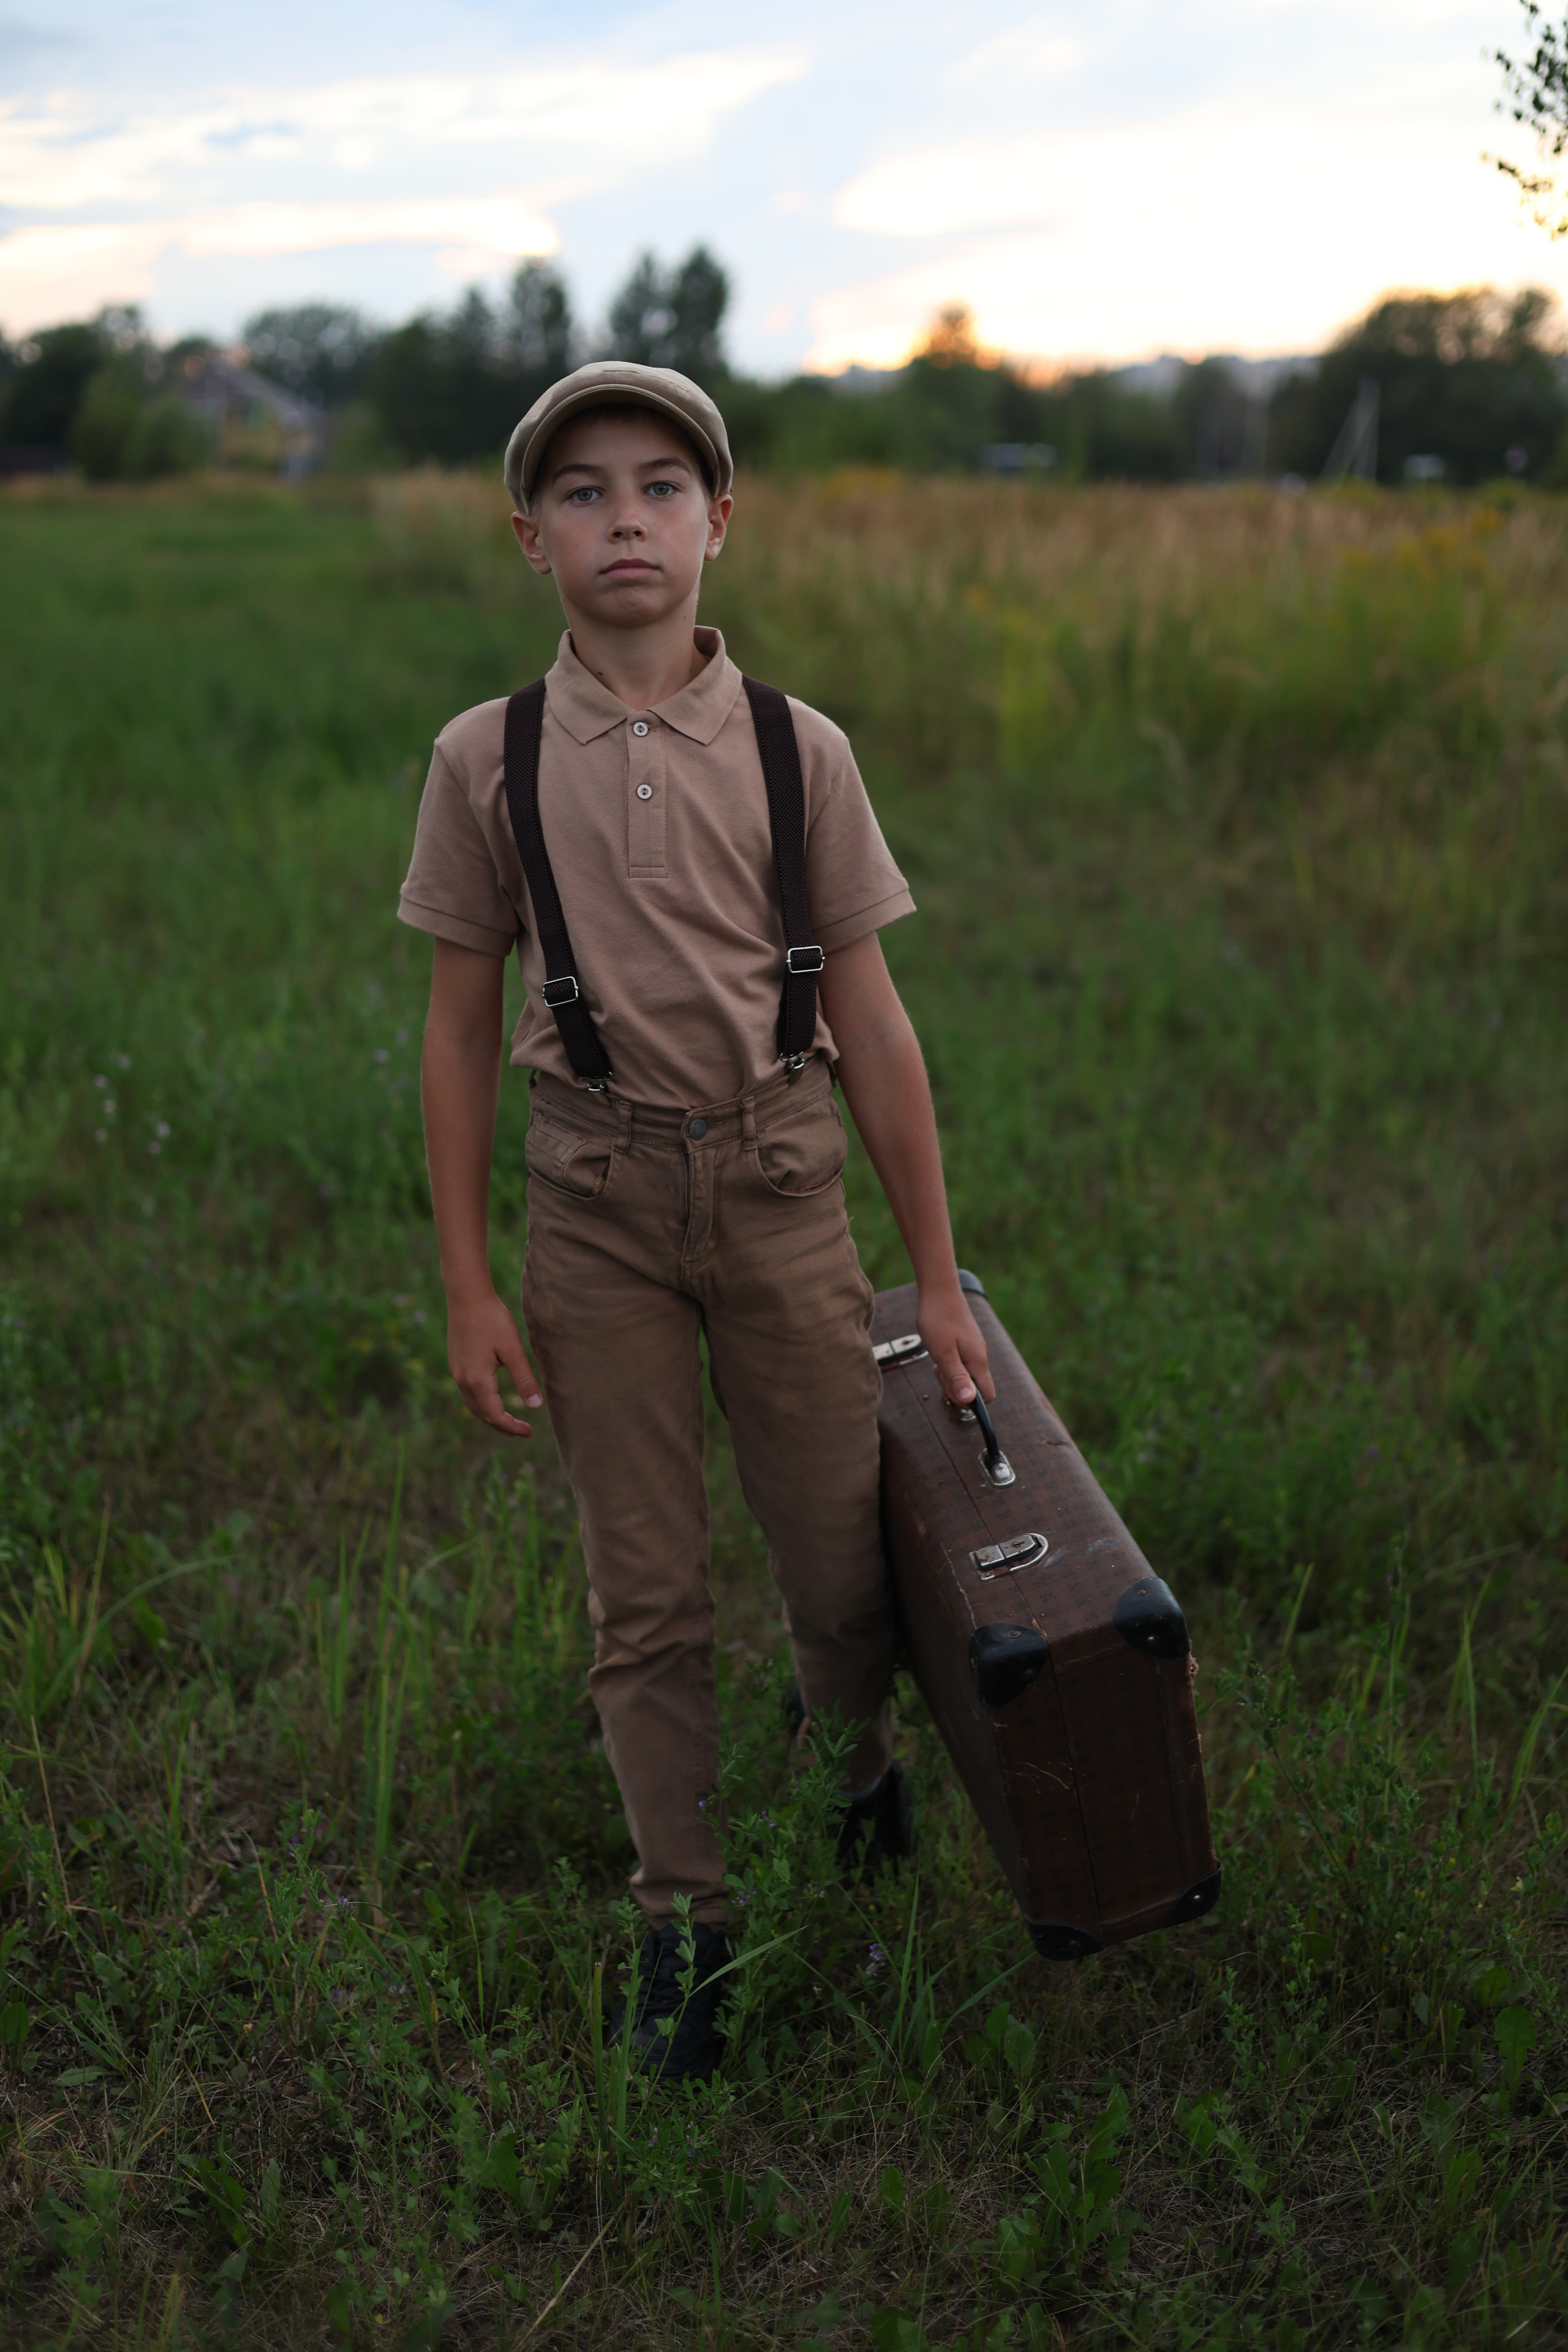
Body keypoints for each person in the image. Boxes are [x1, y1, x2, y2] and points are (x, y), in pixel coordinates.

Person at [398, 360, 992, 2083]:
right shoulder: (486, 758)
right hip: (592, 1210)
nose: (625, 519)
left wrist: (936, 1283)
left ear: (719, 525)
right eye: (582, 493)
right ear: (532, 540)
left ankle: (854, 1746)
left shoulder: (802, 749)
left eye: (661, 487)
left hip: (785, 1183)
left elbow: (875, 1029)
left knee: (841, 1561)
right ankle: (687, 1922)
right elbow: (452, 1031)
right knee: (643, 1595)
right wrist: (463, 1284)